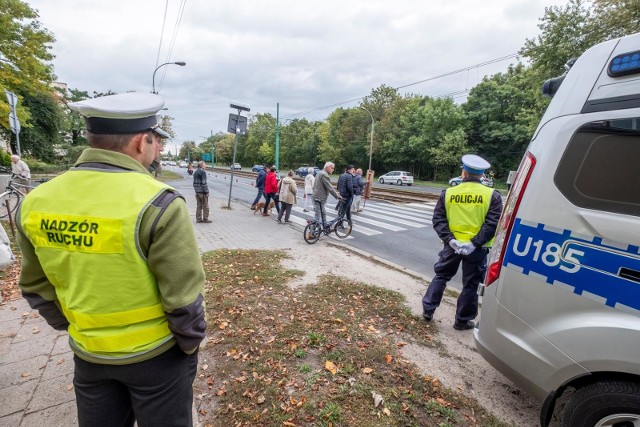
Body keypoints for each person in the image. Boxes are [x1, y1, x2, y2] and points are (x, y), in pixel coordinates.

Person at [16, 92, 206, 426]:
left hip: (89, 354)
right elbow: (183, 298)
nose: (156, 148)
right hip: (157, 356)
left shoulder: (36, 201)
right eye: (154, 140)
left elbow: (34, 287)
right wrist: (188, 347)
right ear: (138, 142)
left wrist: (77, 326)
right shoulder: (157, 202)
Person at [422, 154, 503, 330]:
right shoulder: (492, 196)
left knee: (442, 276)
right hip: (477, 249)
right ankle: (462, 320)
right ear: (482, 175)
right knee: (471, 284)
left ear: (463, 173)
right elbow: (492, 224)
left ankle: (428, 310)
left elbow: (438, 219)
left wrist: (450, 240)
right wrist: (474, 243)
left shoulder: (449, 193)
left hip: (452, 247)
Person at [312, 161, 341, 228]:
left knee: (323, 212)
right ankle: (312, 231)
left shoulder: (319, 173)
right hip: (320, 197)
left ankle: (325, 225)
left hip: (316, 195)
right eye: (332, 168)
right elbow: (330, 187)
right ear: (327, 167)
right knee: (318, 215)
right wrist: (337, 196)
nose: (333, 170)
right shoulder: (324, 175)